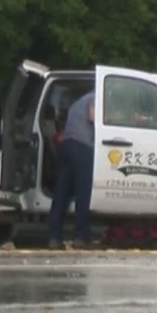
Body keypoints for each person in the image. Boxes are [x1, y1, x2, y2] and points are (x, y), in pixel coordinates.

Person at [49, 91, 96, 250]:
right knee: (83, 192)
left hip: (67, 144)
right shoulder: (97, 97)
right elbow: (92, 116)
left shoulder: (78, 101)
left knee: (62, 192)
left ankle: (54, 237)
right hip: (82, 146)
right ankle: (81, 237)